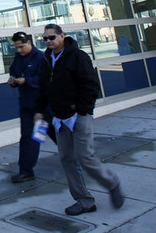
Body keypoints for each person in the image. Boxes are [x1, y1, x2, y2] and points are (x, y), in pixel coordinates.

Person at [34, 24, 125, 216]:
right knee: (67, 158)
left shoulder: (78, 57)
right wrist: (40, 110)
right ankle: (84, 200)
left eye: (52, 37)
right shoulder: (46, 59)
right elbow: (44, 87)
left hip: (78, 116)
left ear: (62, 36)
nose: (49, 41)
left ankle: (112, 183)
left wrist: (84, 110)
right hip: (59, 118)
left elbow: (91, 85)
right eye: (45, 38)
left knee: (85, 157)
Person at [7, 31, 45, 183]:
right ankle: (26, 171)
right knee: (29, 138)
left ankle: (79, 159)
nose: (19, 50)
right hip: (27, 106)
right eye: (17, 47)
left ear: (29, 43)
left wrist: (27, 81)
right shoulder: (18, 58)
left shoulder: (40, 58)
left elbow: (45, 79)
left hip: (43, 108)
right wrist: (13, 81)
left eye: (21, 47)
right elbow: (13, 72)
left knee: (59, 136)